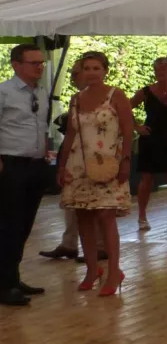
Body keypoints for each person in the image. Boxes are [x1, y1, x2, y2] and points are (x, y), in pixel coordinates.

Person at [57, 51, 134, 297]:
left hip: (107, 164)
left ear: (105, 71)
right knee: (83, 216)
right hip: (79, 164)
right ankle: (92, 269)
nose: (91, 73)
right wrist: (62, 165)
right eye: (87, 68)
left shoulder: (116, 95)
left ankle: (114, 270)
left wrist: (126, 161)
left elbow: (128, 129)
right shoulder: (76, 99)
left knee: (105, 216)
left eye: (96, 68)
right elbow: (70, 134)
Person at [39, 59, 105, 265]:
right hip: (75, 154)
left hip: (96, 155)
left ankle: (99, 246)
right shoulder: (77, 99)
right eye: (76, 73)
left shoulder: (106, 97)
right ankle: (69, 243)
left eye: (77, 73)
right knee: (72, 199)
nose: (74, 78)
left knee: (96, 202)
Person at [0, 43, 51, 307]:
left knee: (24, 225)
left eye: (41, 63)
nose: (40, 67)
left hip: (36, 164)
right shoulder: (4, 92)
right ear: (16, 65)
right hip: (11, 165)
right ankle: (5, 285)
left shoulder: (41, 92)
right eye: (34, 63)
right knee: (8, 224)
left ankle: (12, 277)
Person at [130, 57, 167, 232]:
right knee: (146, 178)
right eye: (158, 69)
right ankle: (141, 216)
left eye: (164, 69)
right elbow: (125, 107)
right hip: (150, 137)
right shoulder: (145, 91)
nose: (161, 72)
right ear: (154, 71)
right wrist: (136, 126)